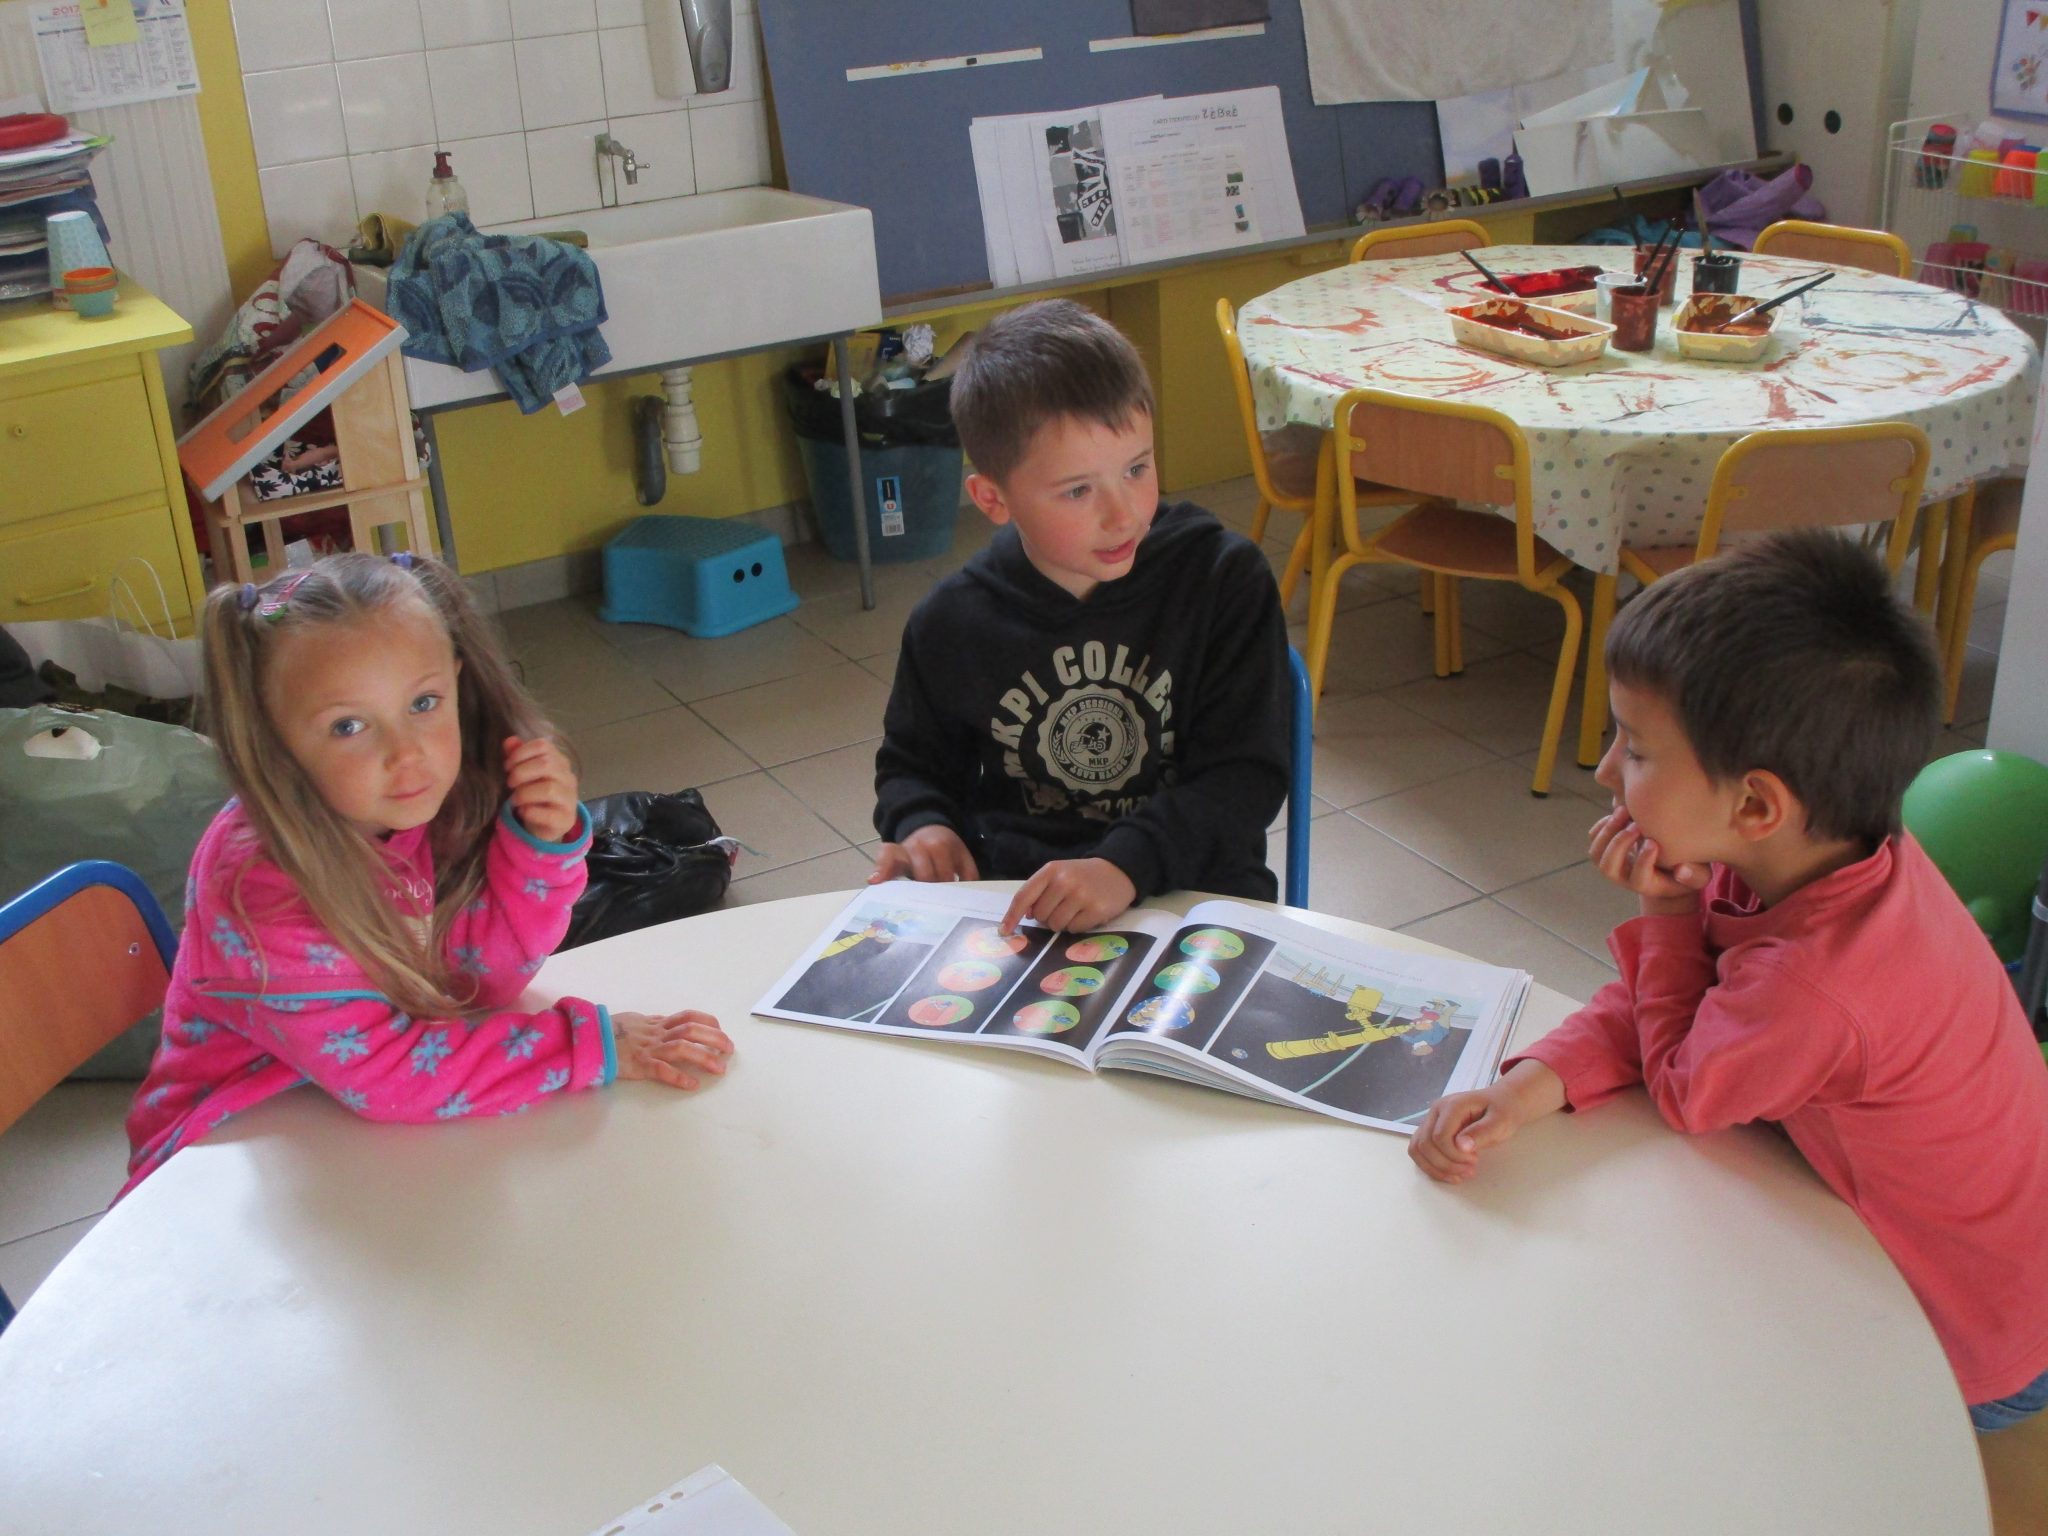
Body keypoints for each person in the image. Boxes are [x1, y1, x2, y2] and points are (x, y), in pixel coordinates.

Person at [1407, 530, 2048, 1534]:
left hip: (1954, 1341)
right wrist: (1525, 1088)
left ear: (1755, 803)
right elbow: (1687, 1001)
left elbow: (1684, 1082)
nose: (1603, 770)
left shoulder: (1816, 985)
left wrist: (1663, 915)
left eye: (1635, 748)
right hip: (1957, 1261)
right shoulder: (1828, 853)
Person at [122, 553, 733, 1196]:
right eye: (348, 725)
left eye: (423, 702)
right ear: (271, 741)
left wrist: (538, 848)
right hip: (223, 1155)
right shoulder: (260, 888)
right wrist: (590, 1044)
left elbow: (478, 981)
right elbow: (390, 1076)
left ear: (457, 686)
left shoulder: (398, 809)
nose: (407, 752)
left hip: (350, 1124)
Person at [870, 298, 1290, 935]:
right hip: (1024, 907)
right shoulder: (950, 621)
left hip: (1197, 894)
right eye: (1078, 490)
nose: (1123, 514)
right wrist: (923, 824)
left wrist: (1124, 864)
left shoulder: (1223, 580)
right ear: (993, 499)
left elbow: (1246, 777)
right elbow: (913, 764)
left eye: (1137, 468)